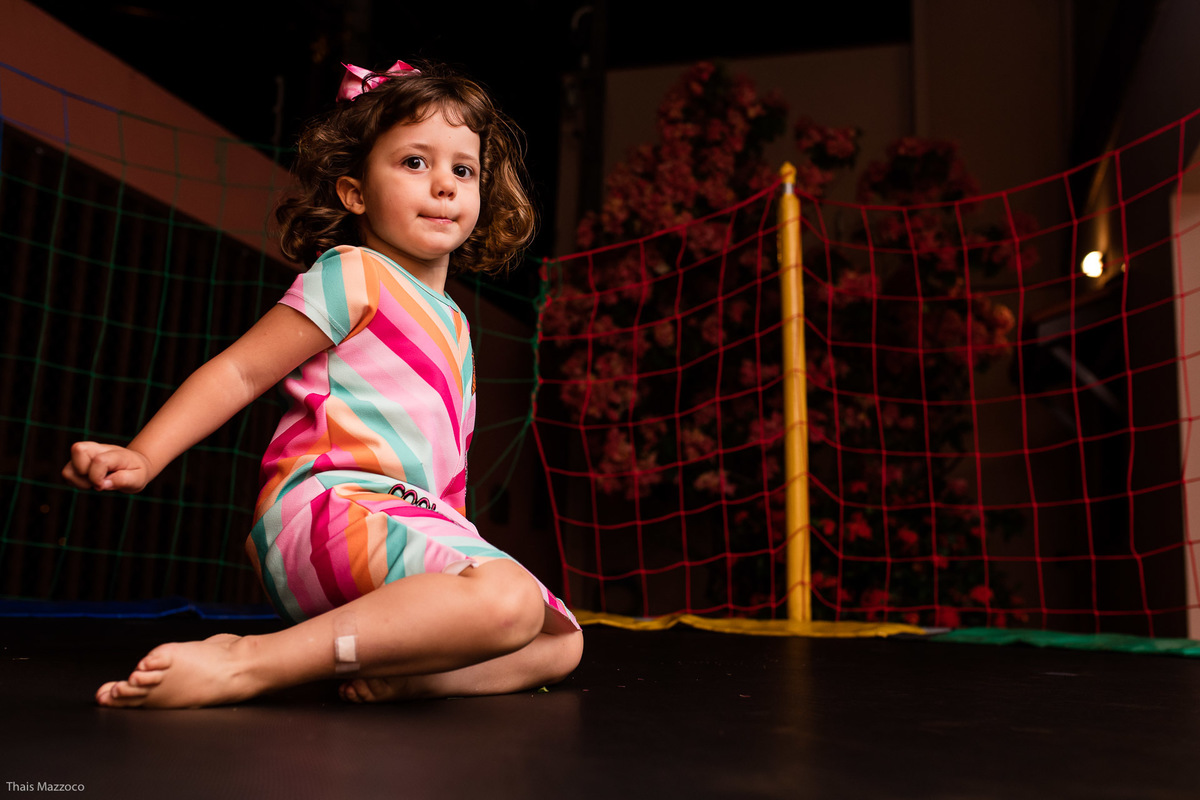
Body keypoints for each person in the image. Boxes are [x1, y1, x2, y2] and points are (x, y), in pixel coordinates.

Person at [61, 60, 583, 709]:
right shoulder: (355, 274)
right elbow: (240, 370)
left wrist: (450, 597)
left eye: (463, 169)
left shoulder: (453, 321)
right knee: (506, 599)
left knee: (557, 641)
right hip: (326, 512)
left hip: (405, 525)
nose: (445, 186)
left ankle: (410, 676)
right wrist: (144, 453)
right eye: (415, 163)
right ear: (355, 193)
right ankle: (251, 661)